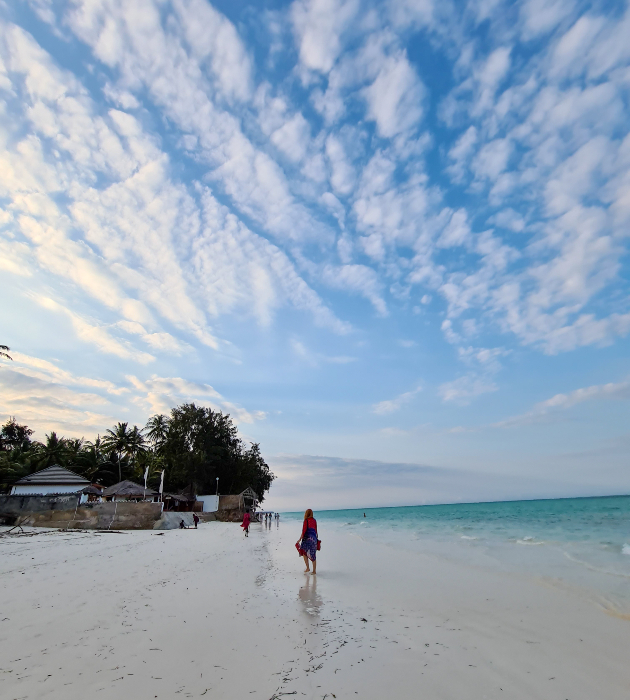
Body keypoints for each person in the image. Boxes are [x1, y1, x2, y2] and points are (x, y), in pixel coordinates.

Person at [296, 509, 318, 575]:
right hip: (314, 539)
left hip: (306, 539)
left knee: (304, 553)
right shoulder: (314, 520)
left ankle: (308, 568)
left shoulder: (306, 521)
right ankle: (314, 571)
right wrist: (316, 539)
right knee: (313, 555)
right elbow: (316, 531)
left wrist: (299, 539)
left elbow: (304, 531)